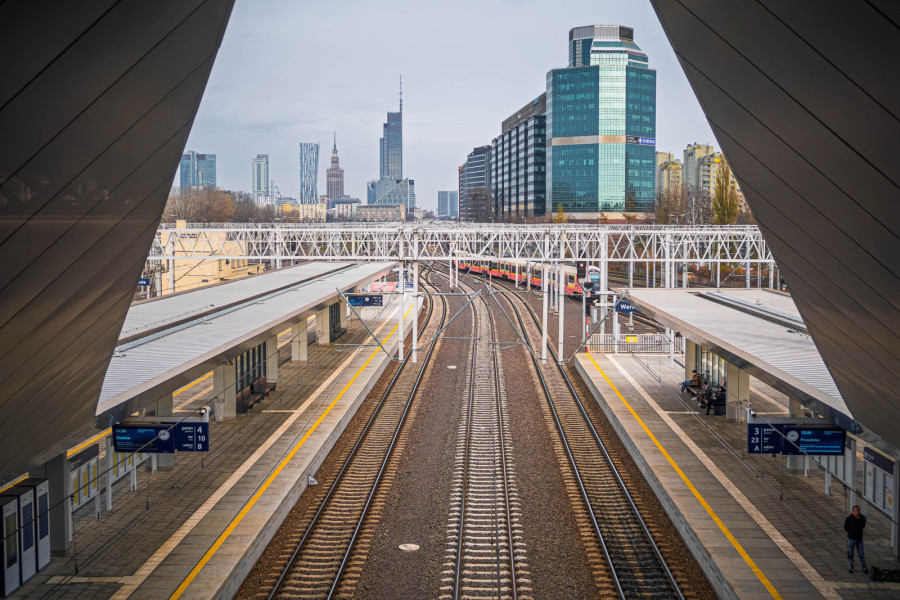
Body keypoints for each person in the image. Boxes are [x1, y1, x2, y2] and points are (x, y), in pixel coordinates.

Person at [844, 505, 868, 574]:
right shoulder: (849, 518)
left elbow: (863, 526)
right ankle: (851, 567)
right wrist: (851, 532)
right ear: (853, 511)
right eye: (855, 510)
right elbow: (845, 527)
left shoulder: (862, 518)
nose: (857, 512)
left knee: (861, 554)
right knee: (850, 554)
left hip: (859, 539)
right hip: (851, 539)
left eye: (858, 510)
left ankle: (864, 567)